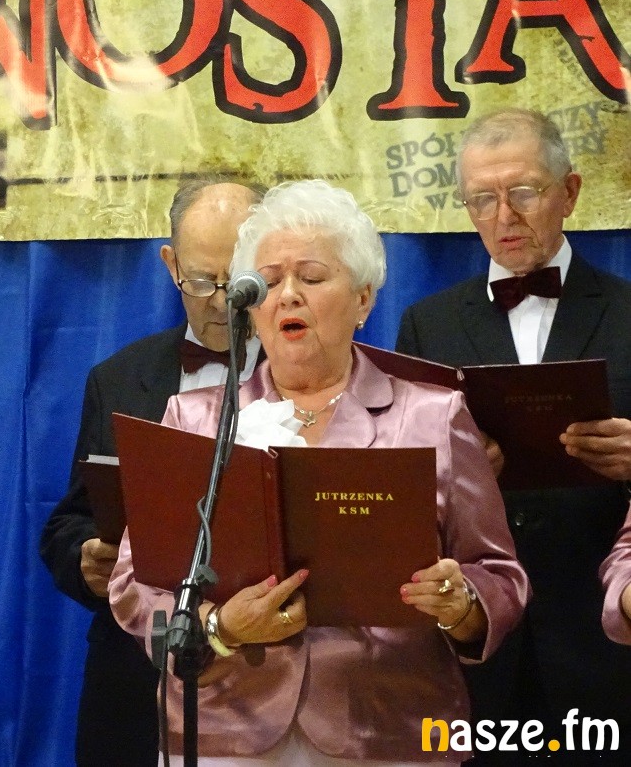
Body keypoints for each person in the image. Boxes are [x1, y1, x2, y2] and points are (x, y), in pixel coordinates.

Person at [109, 180, 529, 763]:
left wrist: (461, 605)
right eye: (269, 281)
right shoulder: (193, 419)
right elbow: (134, 582)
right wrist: (221, 627)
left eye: (311, 277)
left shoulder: (433, 416)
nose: (288, 295)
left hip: (388, 730)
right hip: (225, 731)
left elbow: (499, 575)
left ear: (363, 300)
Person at [396, 108, 631, 762]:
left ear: (569, 192)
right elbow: (402, 481)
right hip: (475, 637)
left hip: (605, 631)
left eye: (523, 191)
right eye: (481, 199)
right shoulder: (426, 324)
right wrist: (456, 474)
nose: (503, 215)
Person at [40, 179, 264, 765]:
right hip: (137, 682)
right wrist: (86, 557)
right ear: (170, 265)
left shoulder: (309, 374)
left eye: (236, 280)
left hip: (271, 673)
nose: (219, 301)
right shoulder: (118, 377)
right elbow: (71, 520)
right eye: (200, 280)